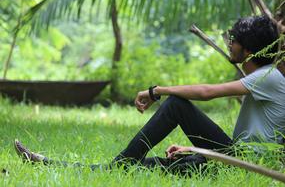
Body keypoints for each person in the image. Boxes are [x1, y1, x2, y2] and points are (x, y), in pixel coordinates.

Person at [15, 15, 285, 176]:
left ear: (247, 50)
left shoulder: (268, 77)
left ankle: (111, 165)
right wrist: (193, 149)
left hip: (246, 164)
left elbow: (207, 92)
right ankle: (55, 163)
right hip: (234, 157)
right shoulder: (263, 77)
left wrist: (157, 91)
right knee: (157, 164)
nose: (228, 42)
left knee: (176, 105)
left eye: (233, 39)